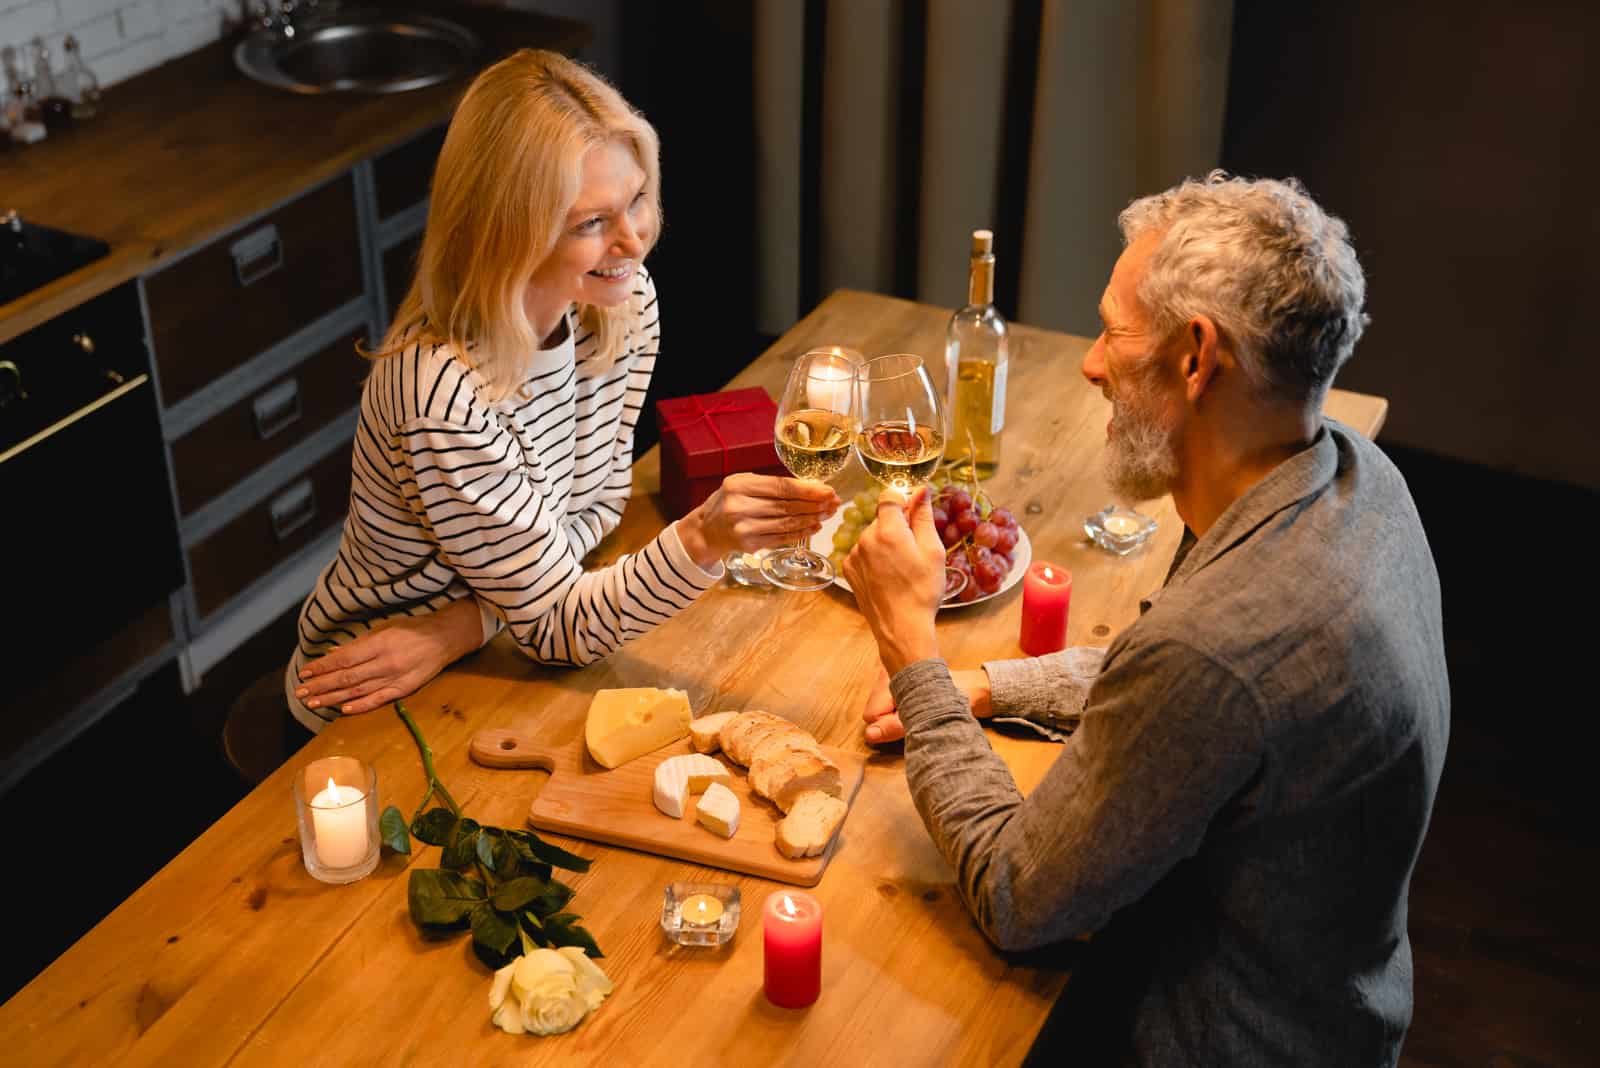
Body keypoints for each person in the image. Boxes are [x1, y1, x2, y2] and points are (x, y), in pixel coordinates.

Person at [843, 173, 1449, 1065]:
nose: (1091, 361)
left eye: (1113, 330)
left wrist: (912, 648)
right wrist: (986, 686)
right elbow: (1193, 688)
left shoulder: (1218, 651)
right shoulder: (1357, 480)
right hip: (1345, 1006)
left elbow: (1019, 894)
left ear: (1198, 357)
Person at [285, 50, 835, 735]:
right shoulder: (444, 396)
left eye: (635, 199)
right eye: (590, 223)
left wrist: (474, 620)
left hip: (490, 645)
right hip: (377, 683)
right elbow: (557, 632)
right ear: (508, 231)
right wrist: (700, 538)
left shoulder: (620, 310)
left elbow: (597, 506)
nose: (632, 242)